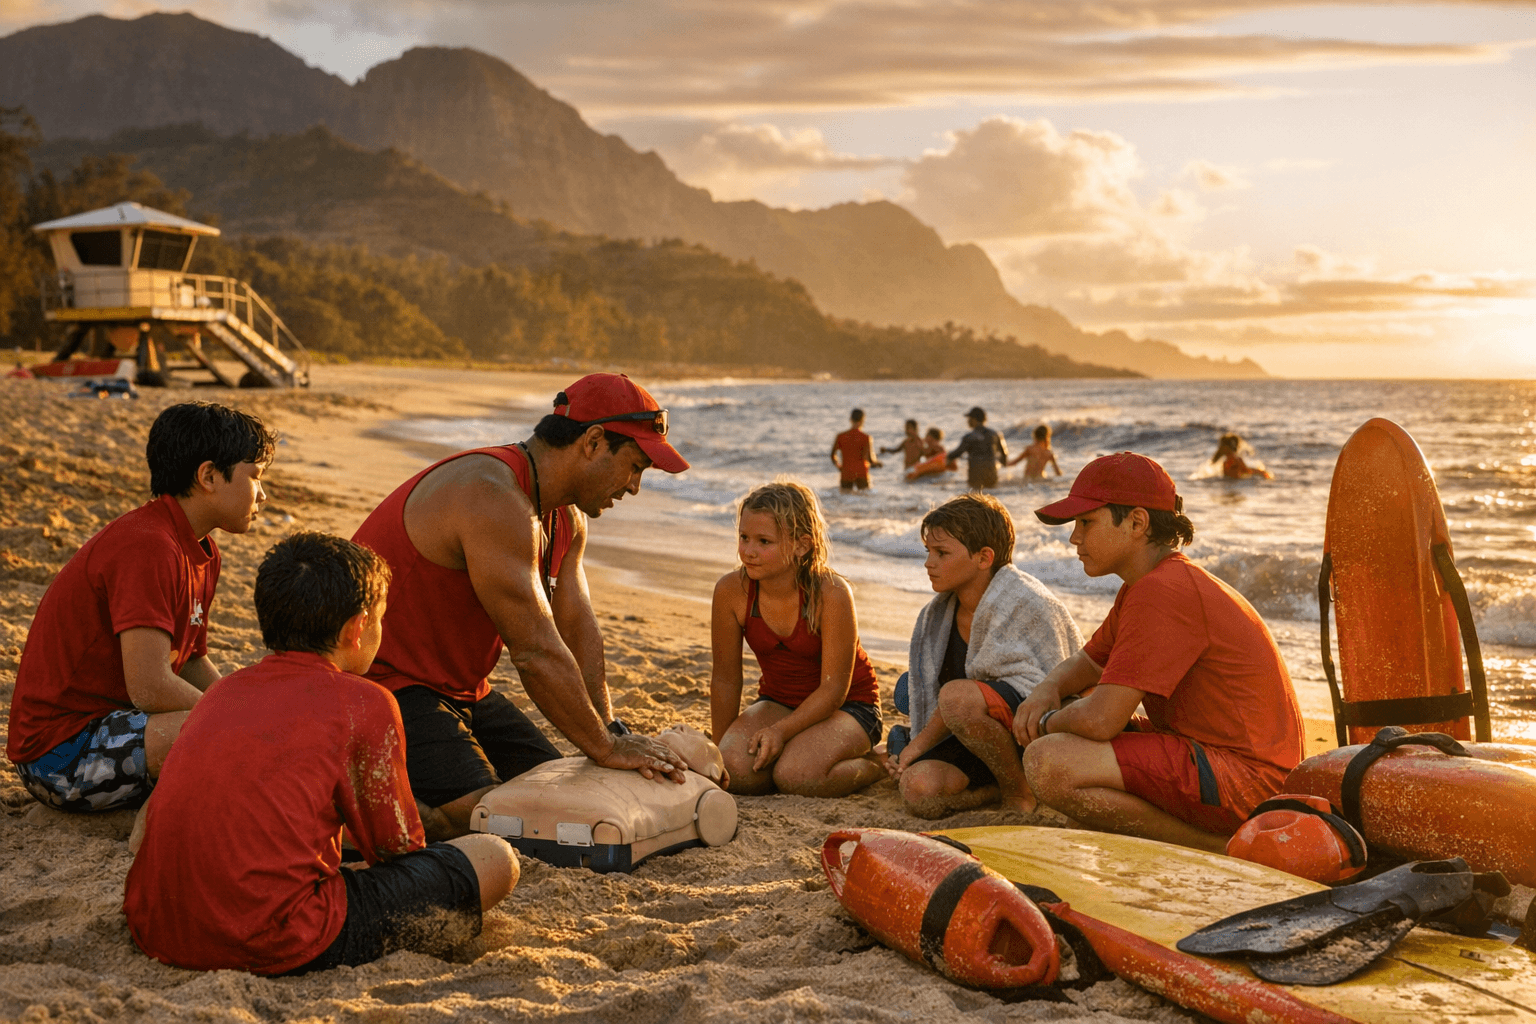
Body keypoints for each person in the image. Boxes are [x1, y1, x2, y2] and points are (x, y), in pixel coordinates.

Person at [124, 532, 517, 975]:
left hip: (157, 928)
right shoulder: (365, 702)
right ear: (357, 629)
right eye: (381, 619)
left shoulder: (221, 693)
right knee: (494, 857)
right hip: (275, 939)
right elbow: (396, 848)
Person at [351, 373, 693, 841]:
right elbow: (533, 653)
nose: (634, 486)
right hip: (384, 686)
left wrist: (608, 729)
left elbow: (576, 630)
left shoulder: (566, 517)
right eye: (634, 467)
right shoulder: (491, 495)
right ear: (593, 442)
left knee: (557, 799)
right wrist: (606, 748)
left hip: (465, 690)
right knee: (492, 822)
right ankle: (357, 806)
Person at [1016, 453, 1304, 853]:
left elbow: (1101, 721)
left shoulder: (1162, 592)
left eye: (1086, 522)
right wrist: (1047, 689)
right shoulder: (1145, 585)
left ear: (1136, 522)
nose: (1074, 538)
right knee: (1076, 711)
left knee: (1050, 764)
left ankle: (1218, 847)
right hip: (1225, 762)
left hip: (1250, 782)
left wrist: (1046, 722)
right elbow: (1088, 663)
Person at [6, 402, 275, 814]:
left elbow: (188, 661)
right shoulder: (149, 545)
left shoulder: (199, 549)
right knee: (226, 733)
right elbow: (149, 686)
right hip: (57, 755)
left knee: (240, 721)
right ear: (208, 476)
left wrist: (241, 707)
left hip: (114, 728)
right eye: (255, 477)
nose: (263, 494)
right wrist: (235, 720)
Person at [887, 495, 1082, 817]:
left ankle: (1018, 790)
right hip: (971, 737)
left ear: (984, 557)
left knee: (958, 698)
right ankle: (993, 786)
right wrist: (913, 754)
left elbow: (1048, 686)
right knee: (918, 789)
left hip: (1028, 735)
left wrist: (915, 747)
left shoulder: (1027, 603)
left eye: (941, 553)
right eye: (928, 552)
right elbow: (937, 697)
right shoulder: (936, 615)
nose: (928, 563)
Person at [710, 480, 885, 797]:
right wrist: (718, 757)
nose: (748, 551)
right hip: (779, 703)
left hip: (848, 708)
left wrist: (779, 732)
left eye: (764, 541)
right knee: (736, 771)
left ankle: (878, 762)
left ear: (802, 545)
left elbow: (834, 689)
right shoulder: (730, 591)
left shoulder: (831, 593)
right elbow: (725, 679)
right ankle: (794, 749)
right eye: (743, 537)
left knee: (796, 775)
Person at [947, 406, 1007, 490]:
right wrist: (1003, 465)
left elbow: (957, 453)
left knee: (976, 498)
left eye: (969, 419)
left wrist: (947, 457)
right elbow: (1004, 455)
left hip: (976, 476)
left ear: (974, 419)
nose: (968, 421)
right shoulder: (996, 434)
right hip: (991, 475)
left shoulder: (969, 437)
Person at [831, 408, 882, 490]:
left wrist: (840, 467)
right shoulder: (866, 438)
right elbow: (869, 459)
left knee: (845, 499)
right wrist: (877, 463)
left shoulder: (841, 436)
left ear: (851, 419)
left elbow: (833, 455)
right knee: (864, 498)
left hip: (846, 473)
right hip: (861, 473)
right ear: (863, 420)